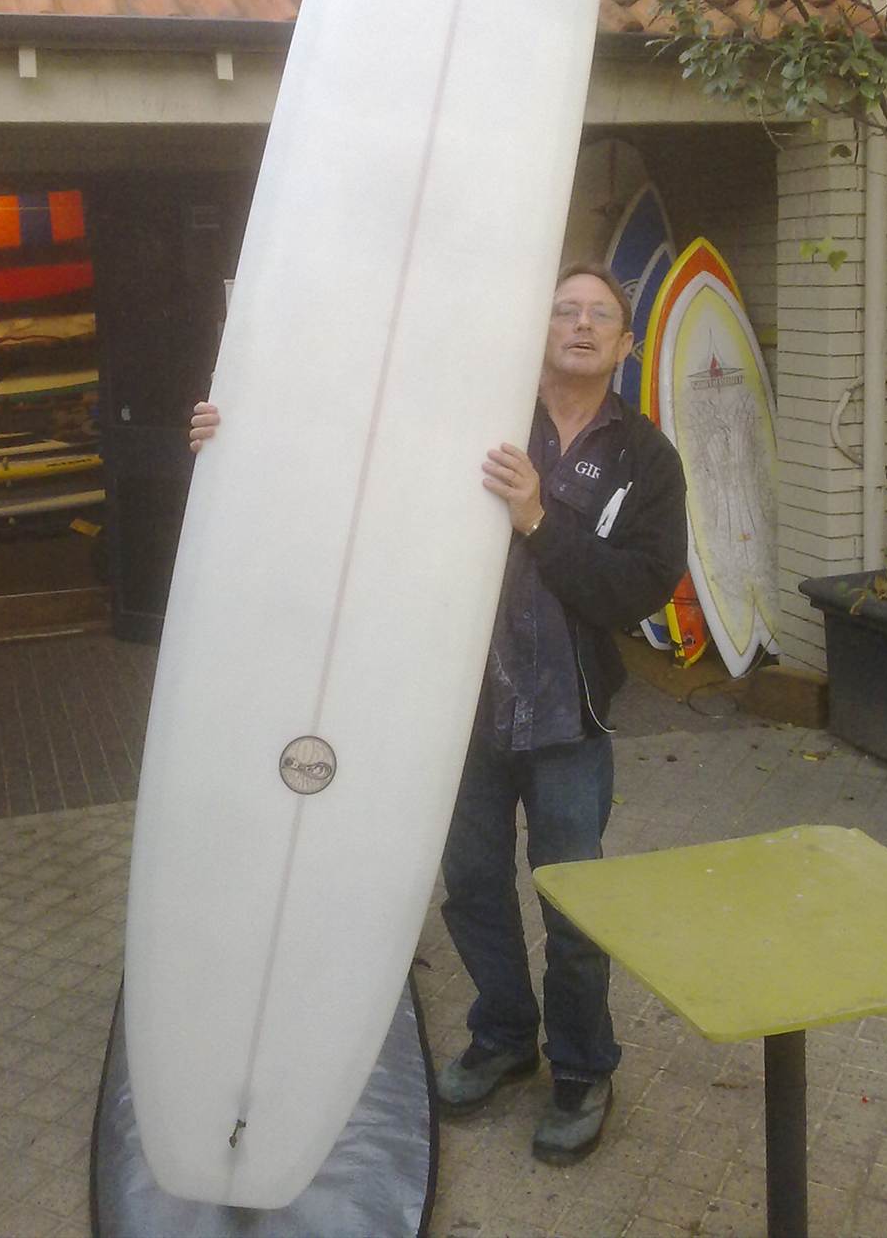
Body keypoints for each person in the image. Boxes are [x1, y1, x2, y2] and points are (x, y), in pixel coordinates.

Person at [187, 261, 687, 1166]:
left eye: (598, 315)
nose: (579, 324)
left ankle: (581, 1067)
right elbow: (355, 463)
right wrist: (240, 437)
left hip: (566, 722)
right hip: (459, 715)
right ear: (539, 329)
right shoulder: (476, 420)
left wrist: (538, 519)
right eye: (563, 310)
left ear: (625, 342)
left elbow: (637, 588)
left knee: (575, 909)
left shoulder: (645, 459)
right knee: (473, 887)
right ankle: (504, 1035)